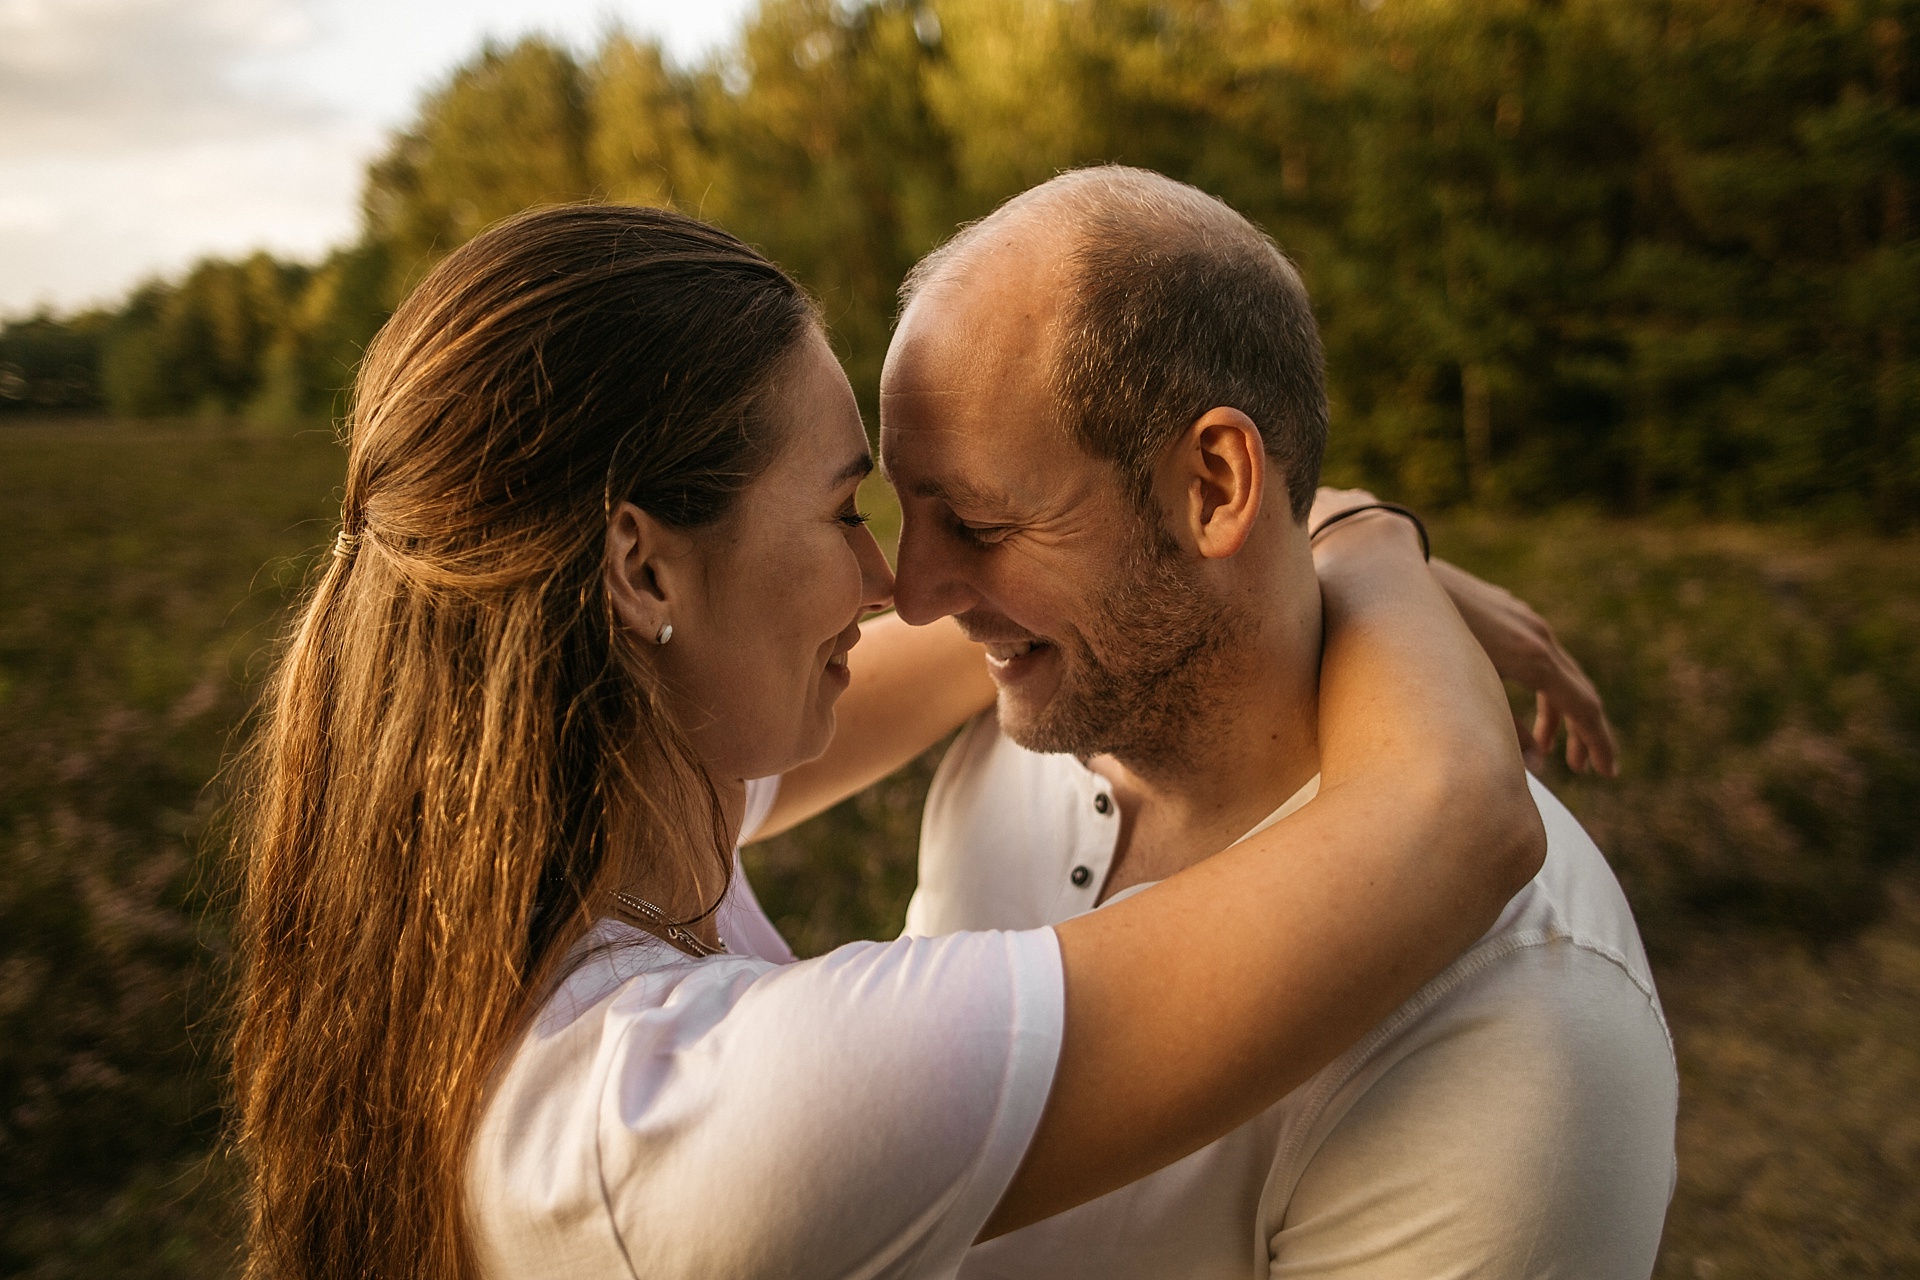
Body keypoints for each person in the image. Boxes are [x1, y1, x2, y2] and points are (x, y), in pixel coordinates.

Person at [230, 202, 1545, 1280]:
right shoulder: (699, 1116)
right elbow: (1452, 820)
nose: (892, 584)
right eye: (841, 510)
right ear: (641, 574)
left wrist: (1267, 541)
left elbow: (1037, 617)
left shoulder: (519, 845)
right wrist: (1363, 540)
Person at [840, 166, 1671, 1278]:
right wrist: (1361, 531)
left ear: (1219, 485)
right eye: (907, 514)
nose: (914, 595)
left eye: (980, 524)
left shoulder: (1520, 1028)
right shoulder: (1028, 704)